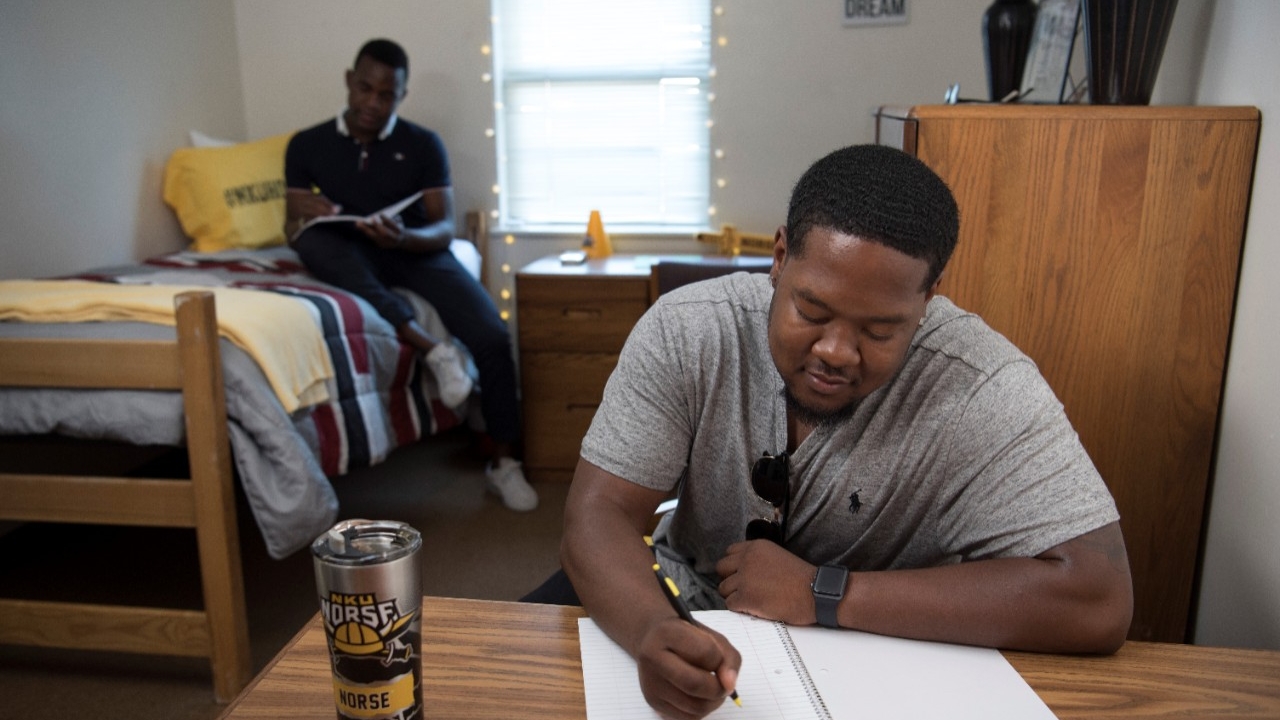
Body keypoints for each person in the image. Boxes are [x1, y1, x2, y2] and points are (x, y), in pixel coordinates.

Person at [529, 145, 1133, 719]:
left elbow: (1098, 597)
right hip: (680, 598)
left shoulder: (980, 383)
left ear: (928, 298)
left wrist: (826, 593)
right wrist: (652, 629)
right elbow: (596, 516)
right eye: (811, 312)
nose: (836, 352)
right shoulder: (688, 331)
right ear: (779, 255)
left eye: (879, 331)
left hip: (888, 654)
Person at [284, 38, 536, 511]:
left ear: (401, 96)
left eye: (386, 95)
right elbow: (292, 228)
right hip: (344, 250)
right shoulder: (306, 144)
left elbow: (443, 227)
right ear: (348, 81)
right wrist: (304, 212)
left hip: (412, 249)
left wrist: (401, 237)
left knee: (492, 335)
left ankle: (504, 463)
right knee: (316, 244)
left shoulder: (422, 144)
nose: (372, 103)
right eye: (365, 89)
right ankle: (433, 351)